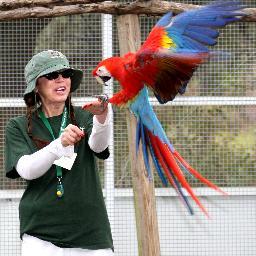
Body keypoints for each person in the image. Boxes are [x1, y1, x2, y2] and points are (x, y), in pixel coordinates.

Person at [4, 50, 114, 256]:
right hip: (40, 235)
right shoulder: (18, 126)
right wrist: (58, 145)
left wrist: (101, 118)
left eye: (65, 74)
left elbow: (99, 147)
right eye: (52, 75)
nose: (61, 80)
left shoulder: (83, 116)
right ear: (36, 85)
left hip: (91, 233)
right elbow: (26, 169)